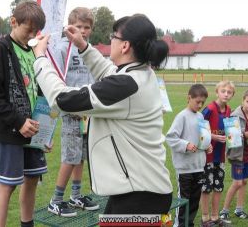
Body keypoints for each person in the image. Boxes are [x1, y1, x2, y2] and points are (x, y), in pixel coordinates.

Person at [33, 14, 173, 214]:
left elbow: (62, 99)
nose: (110, 40)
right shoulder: (139, 74)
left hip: (139, 197)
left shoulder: (127, 84)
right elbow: (109, 72)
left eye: (113, 36)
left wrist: (40, 58)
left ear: (124, 46)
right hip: (139, 191)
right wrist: (83, 46)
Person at [0, 1, 47, 227]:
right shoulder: (1, 49)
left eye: (35, 31)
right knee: (8, 184)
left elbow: (39, 93)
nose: (32, 34)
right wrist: (18, 122)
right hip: (12, 129)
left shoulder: (33, 52)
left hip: (34, 130)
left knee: (31, 181)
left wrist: (45, 133)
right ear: (13, 22)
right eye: (28, 29)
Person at [48, 7, 99, 217]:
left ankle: (76, 195)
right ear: (69, 26)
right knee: (70, 156)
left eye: (87, 27)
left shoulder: (89, 49)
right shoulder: (61, 49)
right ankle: (56, 200)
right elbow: (56, 80)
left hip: (87, 114)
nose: (83, 31)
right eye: (78, 26)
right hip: (70, 112)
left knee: (80, 157)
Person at [166, 84, 212, 227]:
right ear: (189, 98)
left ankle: (189, 223)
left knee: (194, 200)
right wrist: (185, 145)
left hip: (198, 167)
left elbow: (202, 137)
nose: (200, 105)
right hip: (185, 169)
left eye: (202, 103)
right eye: (197, 101)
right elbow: (171, 138)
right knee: (184, 200)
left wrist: (207, 145)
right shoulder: (182, 117)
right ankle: (179, 224)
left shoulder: (201, 116)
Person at [219, 89, 248, 223]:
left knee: (244, 182)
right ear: (242, 100)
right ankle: (224, 211)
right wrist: (244, 134)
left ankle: (239, 209)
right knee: (237, 182)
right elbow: (230, 137)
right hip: (238, 155)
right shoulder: (234, 115)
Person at [201, 80, 235, 227]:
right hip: (207, 155)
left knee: (218, 186)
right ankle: (205, 218)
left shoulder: (229, 110)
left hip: (220, 156)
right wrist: (213, 137)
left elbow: (230, 133)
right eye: (223, 91)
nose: (226, 95)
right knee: (206, 187)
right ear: (217, 92)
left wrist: (233, 137)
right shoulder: (209, 109)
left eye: (229, 92)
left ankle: (215, 217)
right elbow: (199, 129)